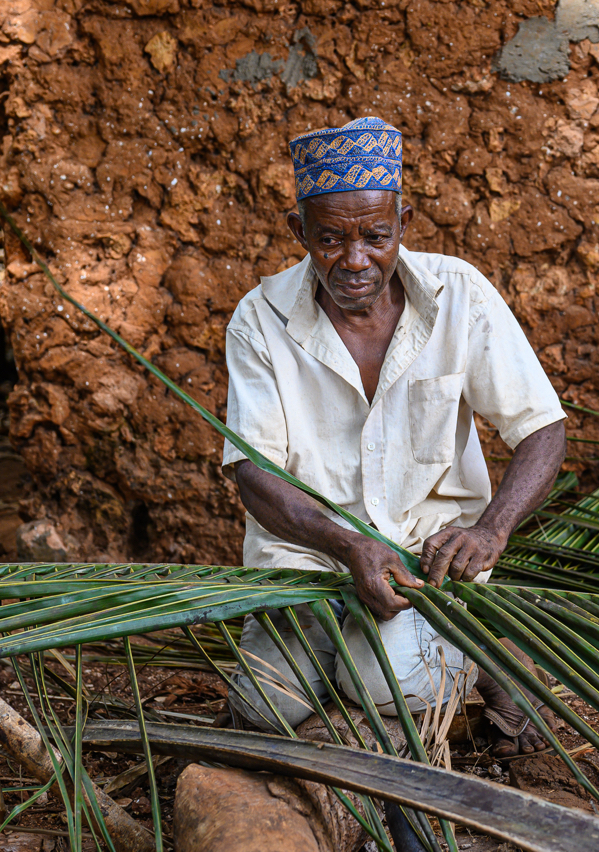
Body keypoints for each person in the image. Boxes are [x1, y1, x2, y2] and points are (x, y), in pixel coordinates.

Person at [221, 116, 566, 757]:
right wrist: (346, 544)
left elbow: (542, 429)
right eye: (330, 239)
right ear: (300, 232)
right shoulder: (259, 320)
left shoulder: (458, 295)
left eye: (376, 236)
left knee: (383, 683)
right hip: (311, 566)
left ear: (403, 224)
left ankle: (490, 650)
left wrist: (490, 529)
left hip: (425, 571)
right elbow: (254, 474)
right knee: (265, 703)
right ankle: (366, 671)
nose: (356, 261)